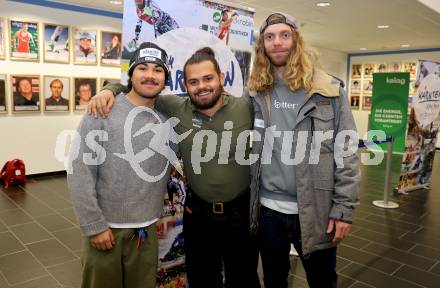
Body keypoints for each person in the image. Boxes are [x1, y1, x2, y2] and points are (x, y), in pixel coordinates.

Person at [87, 47, 259, 288]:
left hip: (240, 214)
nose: (201, 86)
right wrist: (108, 89)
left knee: (243, 280)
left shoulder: (246, 107)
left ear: (221, 77)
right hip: (199, 216)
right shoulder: (177, 107)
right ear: (184, 85)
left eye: (208, 78)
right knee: (202, 279)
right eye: (193, 81)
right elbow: (139, 88)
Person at [246, 12, 360, 288]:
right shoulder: (256, 91)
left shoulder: (328, 91)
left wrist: (343, 209)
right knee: (274, 279)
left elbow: (347, 154)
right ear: (262, 46)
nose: (277, 43)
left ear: (297, 41)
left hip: (316, 210)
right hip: (268, 210)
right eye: (269, 37)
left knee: (322, 280)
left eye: (285, 35)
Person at [68, 42, 173, 288]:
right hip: (106, 231)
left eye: (158, 70)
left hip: (146, 232)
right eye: (143, 68)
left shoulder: (167, 120)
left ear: (165, 78)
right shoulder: (102, 111)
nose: (150, 75)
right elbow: (79, 172)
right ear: (131, 74)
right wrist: (94, 226)